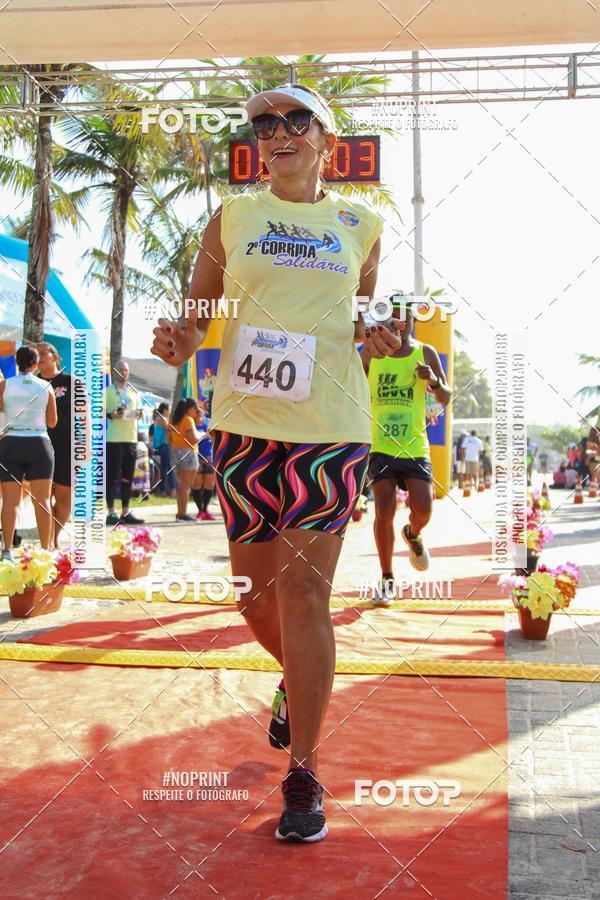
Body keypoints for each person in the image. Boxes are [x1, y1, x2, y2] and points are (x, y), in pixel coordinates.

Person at [152, 82, 385, 843]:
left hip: (331, 430)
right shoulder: (234, 215)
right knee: (254, 600)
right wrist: (181, 342)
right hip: (246, 428)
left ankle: (305, 773)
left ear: (325, 136)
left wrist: (379, 334)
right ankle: (300, 684)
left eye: (294, 120)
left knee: (303, 597)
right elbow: (200, 312)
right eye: (263, 123)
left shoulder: (364, 223)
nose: (277, 132)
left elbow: (360, 316)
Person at [361, 300, 451, 605]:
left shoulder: (424, 352)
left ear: (412, 321)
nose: (399, 326)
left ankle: (412, 534)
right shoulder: (372, 353)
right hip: (381, 445)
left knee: (423, 509)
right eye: (392, 322)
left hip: (414, 445)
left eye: (404, 321)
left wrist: (433, 380)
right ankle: (387, 578)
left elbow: (447, 396)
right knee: (383, 508)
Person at [0, 346, 57, 558]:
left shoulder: (5, 385)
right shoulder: (46, 387)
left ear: (17, 363)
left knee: (10, 502)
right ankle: (45, 550)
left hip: (11, 443)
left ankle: (7, 550)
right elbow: (52, 422)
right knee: (42, 501)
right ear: (35, 365)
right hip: (39, 444)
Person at [36, 341, 84, 547]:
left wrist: (83, 446)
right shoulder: (33, 383)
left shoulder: (73, 381)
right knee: (44, 498)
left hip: (68, 447)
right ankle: (46, 542)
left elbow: (84, 416)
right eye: (36, 354)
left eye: (43, 353)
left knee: (64, 497)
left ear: (55, 357)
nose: (39, 357)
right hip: (39, 446)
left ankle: (54, 538)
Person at [105, 360, 144, 525]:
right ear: (115, 372)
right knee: (112, 476)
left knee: (128, 477)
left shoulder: (134, 392)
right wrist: (112, 414)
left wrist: (137, 414)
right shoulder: (107, 392)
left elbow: (140, 413)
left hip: (131, 439)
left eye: (126, 370)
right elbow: (103, 412)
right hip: (114, 439)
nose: (123, 373)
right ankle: (111, 512)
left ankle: (125, 512)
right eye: (120, 370)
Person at [168, 397, 203, 522]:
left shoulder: (174, 421)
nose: (196, 412)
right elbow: (193, 438)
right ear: (190, 408)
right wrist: (202, 434)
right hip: (188, 453)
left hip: (175, 452)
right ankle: (183, 514)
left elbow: (169, 439)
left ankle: (180, 513)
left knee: (181, 485)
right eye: (195, 408)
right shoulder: (188, 420)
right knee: (186, 486)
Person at [191, 403, 216, 521]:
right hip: (196, 456)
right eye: (197, 411)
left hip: (209, 457)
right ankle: (200, 510)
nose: (200, 413)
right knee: (197, 484)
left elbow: (215, 438)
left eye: (201, 411)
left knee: (209, 485)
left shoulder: (209, 423)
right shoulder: (191, 424)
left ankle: (205, 510)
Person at [152, 402, 176, 497]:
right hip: (165, 446)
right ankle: (172, 490)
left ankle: (163, 491)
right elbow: (170, 428)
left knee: (165, 469)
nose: (169, 412)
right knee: (170, 469)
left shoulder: (159, 418)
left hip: (162, 446)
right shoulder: (162, 418)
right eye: (169, 410)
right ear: (165, 410)